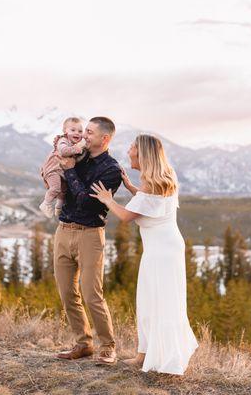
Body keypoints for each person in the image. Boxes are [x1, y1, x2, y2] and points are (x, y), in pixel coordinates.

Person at [90, 134, 199, 375]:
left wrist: (108, 200)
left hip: (160, 252)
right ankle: (146, 353)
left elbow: (128, 216)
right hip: (168, 247)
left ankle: (151, 355)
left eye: (131, 148)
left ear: (142, 154)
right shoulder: (164, 177)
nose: (128, 151)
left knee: (154, 300)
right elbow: (150, 203)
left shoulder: (151, 185)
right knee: (159, 300)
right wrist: (131, 188)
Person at [53, 116, 122, 365]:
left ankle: (108, 346)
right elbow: (61, 184)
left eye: (90, 133)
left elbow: (86, 201)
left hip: (90, 234)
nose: (84, 136)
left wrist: (69, 170)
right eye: (85, 131)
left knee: (92, 294)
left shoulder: (111, 169)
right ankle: (83, 343)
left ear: (104, 138)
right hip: (63, 230)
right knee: (66, 292)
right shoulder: (78, 156)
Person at [39, 117, 87, 218]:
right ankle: (46, 204)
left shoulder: (74, 144)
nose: (77, 133)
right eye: (73, 130)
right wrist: (77, 149)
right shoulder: (63, 140)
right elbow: (64, 151)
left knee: (63, 190)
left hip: (61, 171)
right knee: (55, 188)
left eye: (80, 131)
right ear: (65, 131)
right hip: (53, 169)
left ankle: (58, 208)